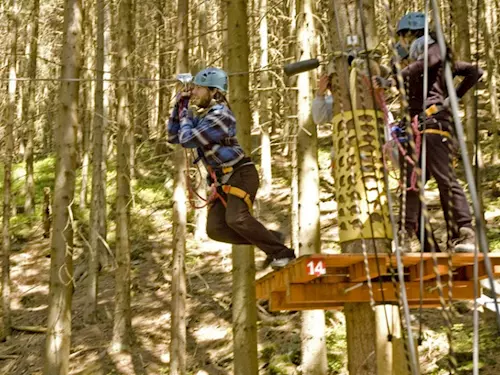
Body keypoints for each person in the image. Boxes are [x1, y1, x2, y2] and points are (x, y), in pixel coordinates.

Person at [167, 67, 296, 269]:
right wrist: (179, 107)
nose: (193, 92)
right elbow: (174, 136)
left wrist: (185, 114)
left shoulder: (220, 116)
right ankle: (273, 239)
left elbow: (187, 139)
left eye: (199, 89)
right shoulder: (203, 117)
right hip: (223, 179)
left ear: (214, 92)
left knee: (236, 218)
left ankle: (283, 253)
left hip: (240, 174)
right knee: (216, 229)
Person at [375, 24, 483, 253]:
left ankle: (464, 232)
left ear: (414, 35)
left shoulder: (437, 50)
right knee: (411, 185)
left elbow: (474, 72)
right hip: (417, 129)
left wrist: (450, 98)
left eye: (406, 38)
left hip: (435, 126)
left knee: (446, 180)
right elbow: (413, 72)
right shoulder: (421, 70)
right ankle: (406, 235)